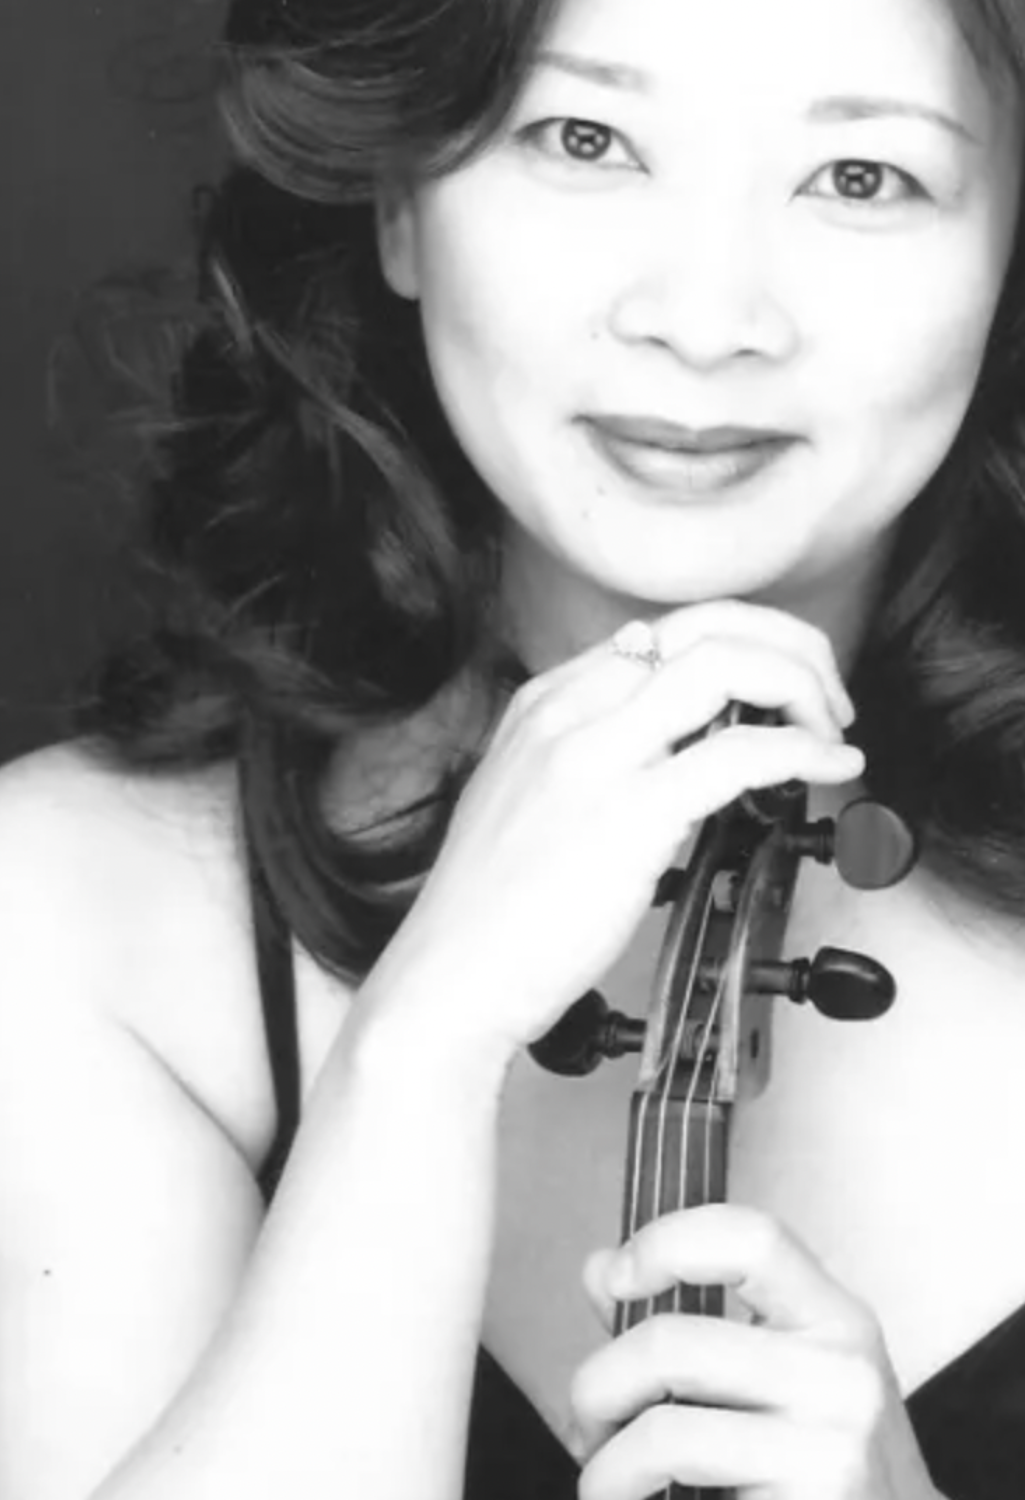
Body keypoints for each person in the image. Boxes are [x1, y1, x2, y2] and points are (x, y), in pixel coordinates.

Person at [2, 0, 1024, 1495]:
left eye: (862, 177)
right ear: (400, 203)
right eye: (586, 138)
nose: (705, 317)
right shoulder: (79, 912)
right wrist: (413, 1063)